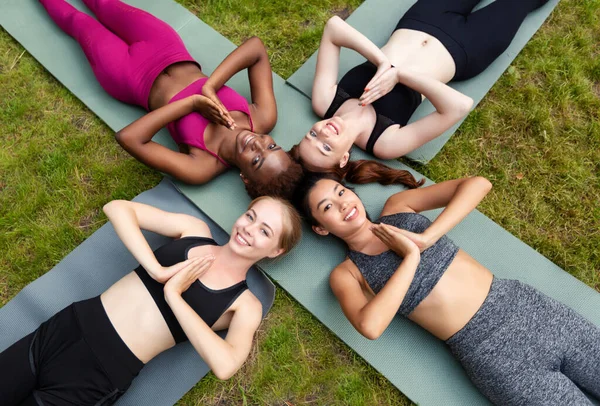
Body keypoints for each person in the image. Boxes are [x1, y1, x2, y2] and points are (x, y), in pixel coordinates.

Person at [294, 173, 600, 405]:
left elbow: (478, 184)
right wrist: (411, 258)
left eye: (341, 192)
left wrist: (426, 239)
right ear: (321, 227)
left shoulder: (398, 207)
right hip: (492, 356)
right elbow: (370, 326)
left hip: (528, 309)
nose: (344, 203)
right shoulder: (348, 273)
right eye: (328, 207)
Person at [0, 196, 302, 405]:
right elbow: (118, 208)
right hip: (66, 328)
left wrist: (174, 296)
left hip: (98, 373)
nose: (249, 229)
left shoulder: (245, 304)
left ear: (276, 250)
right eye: (250, 216)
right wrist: (156, 270)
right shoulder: (194, 231)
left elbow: (225, 365)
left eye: (265, 231)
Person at [39, 0, 303, 198]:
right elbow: (255, 49)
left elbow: (129, 138)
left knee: (79, 21)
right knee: (105, 3)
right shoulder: (262, 117)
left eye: (256, 161)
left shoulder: (201, 167)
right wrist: (210, 87)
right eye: (272, 147)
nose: (257, 144)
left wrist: (193, 103)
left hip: (128, 76)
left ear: (245, 178)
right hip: (165, 46)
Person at [291, 0, 550, 175]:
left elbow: (334, 28)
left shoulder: (325, 101)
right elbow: (458, 106)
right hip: (466, 50)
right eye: (327, 148)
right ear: (343, 158)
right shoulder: (384, 143)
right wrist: (399, 75)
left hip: (421, 20)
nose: (323, 134)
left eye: (311, 136)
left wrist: (383, 62)